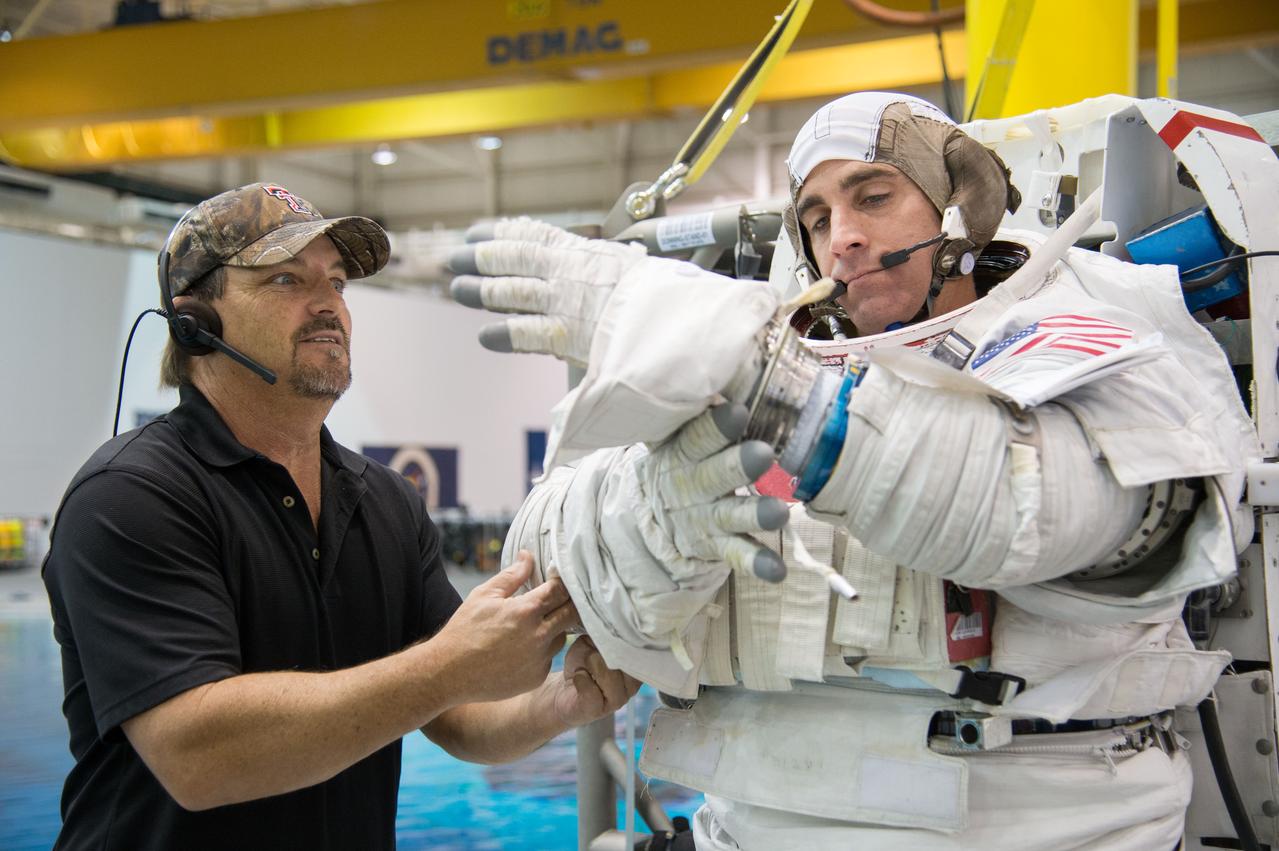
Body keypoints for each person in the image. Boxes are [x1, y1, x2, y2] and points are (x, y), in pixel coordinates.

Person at [450, 92, 1258, 848]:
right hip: (750, 817)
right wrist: (658, 514)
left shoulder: (1081, 326)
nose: (841, 236)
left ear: (958, 202)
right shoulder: (729, 359)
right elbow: (536, 557)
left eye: (873, 197)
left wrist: (785, 399)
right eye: (816, 217)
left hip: (1038, 820)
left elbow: (1053, 508)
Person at [41, 182, 639, 851]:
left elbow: (459, 713)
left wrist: (563, 700)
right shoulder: (131, 495)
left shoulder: (384, 500)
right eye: (286, 279)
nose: (327, 302)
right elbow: (198, 756)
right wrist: (449, 665)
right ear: (195, 323)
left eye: (337, 282)